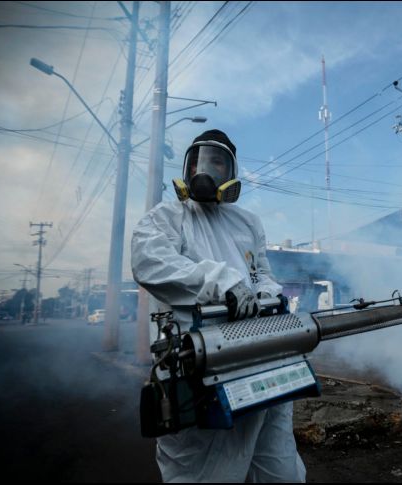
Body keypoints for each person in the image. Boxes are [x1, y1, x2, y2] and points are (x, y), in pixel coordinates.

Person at [130, 129, 306, 483]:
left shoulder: (247, 222)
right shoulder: (167, 217)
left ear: (231, 172)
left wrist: (267, 295)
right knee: (205, 474)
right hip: (198, 368)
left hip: (260, 357)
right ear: (187, 167)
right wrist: (221, 283)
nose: (204, 170)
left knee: (280, 469)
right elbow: (150, 262)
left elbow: (262, 274)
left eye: (216, 162)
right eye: (198, 162)